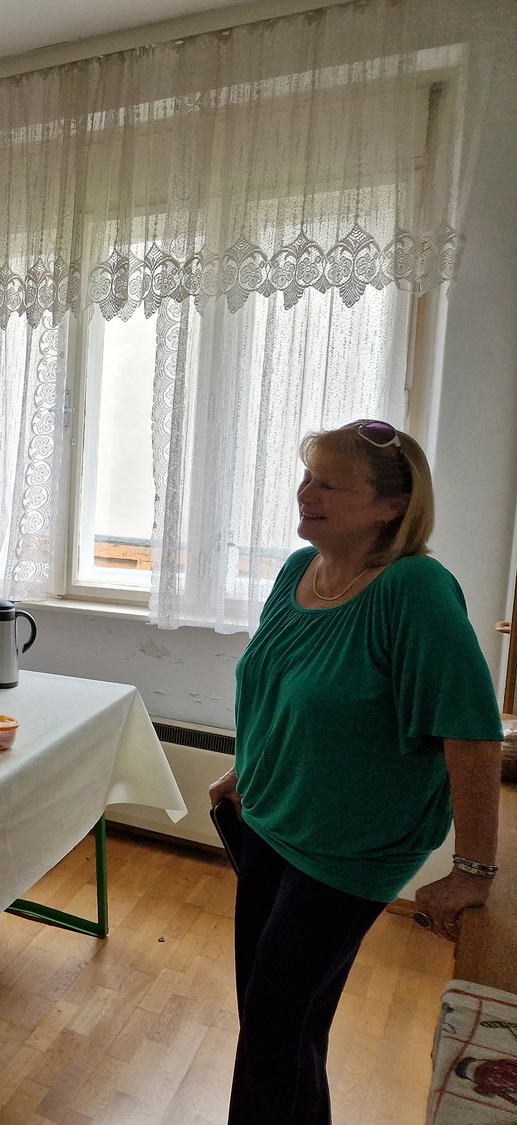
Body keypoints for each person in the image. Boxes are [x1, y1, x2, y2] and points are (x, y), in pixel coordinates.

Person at [208, 419, 502, 1125]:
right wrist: (246, 770)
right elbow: (277, 684)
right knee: (280, 1018)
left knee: (274, 1024)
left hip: (350, 849)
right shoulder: (298, 569)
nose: (306, 493)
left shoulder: (416, 589)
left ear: (391, 507)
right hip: (270, 821)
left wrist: (473, 870)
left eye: (330, 485)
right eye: (307, 477)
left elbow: (472, 732)